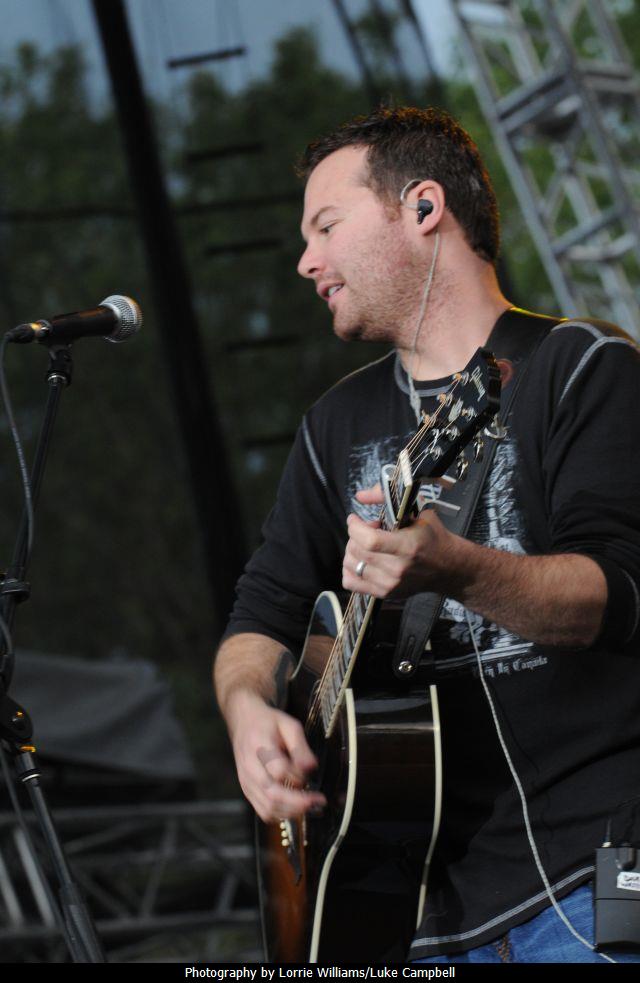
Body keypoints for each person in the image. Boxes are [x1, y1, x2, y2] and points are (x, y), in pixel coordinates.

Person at [213, 106, 640, 962]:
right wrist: (248, 711)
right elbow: (259, 616)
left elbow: (617, 594)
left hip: (591, 873)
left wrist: (459, 570)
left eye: (326, 226)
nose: (306, 261)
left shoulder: (582, 367)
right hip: (407, 911)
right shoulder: (333, 424)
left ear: (422, 208)